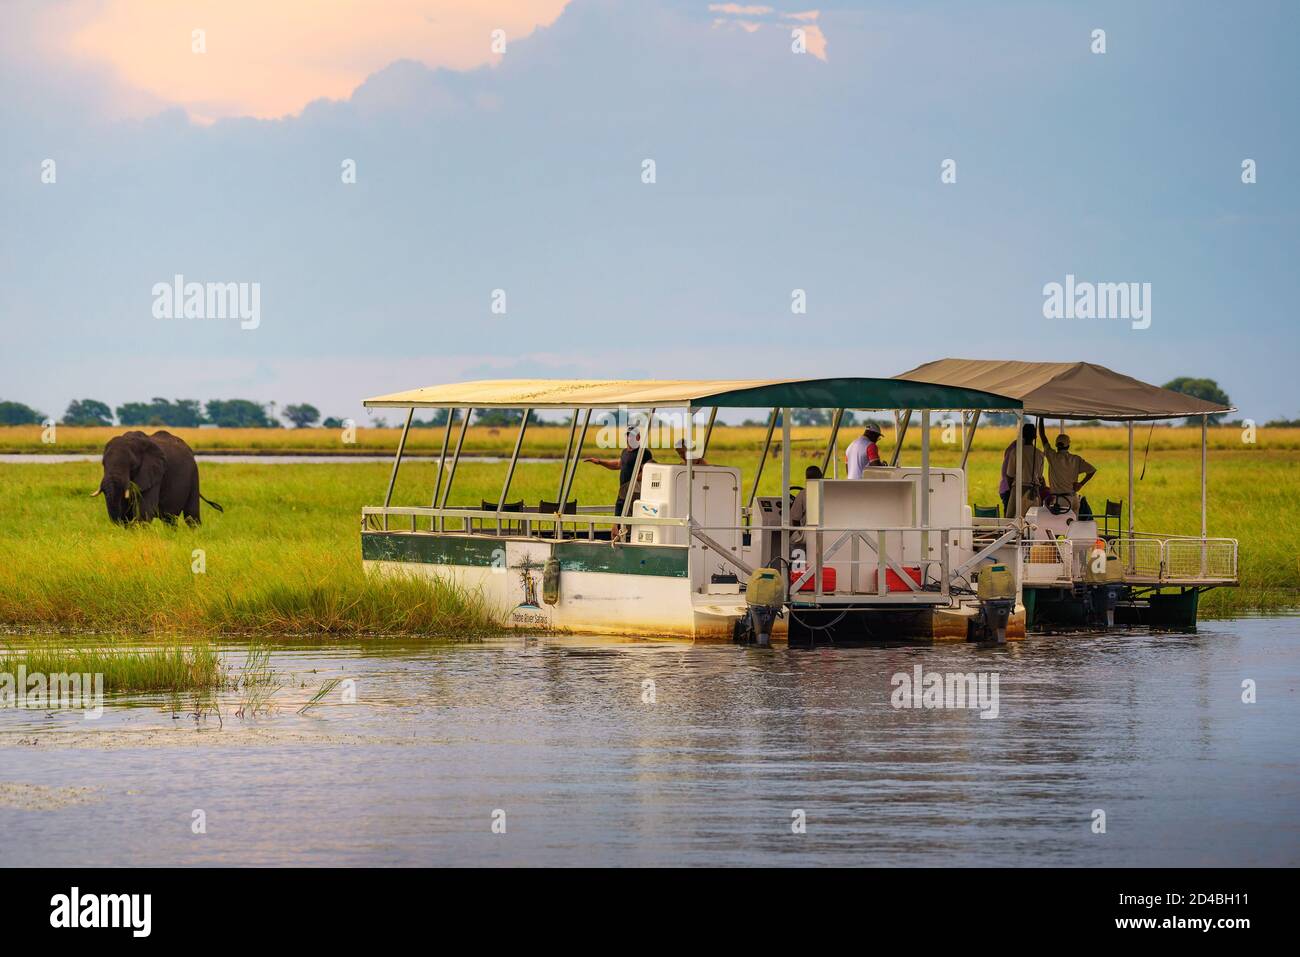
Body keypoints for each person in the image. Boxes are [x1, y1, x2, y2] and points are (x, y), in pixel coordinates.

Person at [584, 426, 655, 539]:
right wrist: (599, 462)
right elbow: (618, 464)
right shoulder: (624, 452)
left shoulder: (644, 452)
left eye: (632, 435)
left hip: (635, 491)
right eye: (628, 435)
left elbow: (648, 471)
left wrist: (635, 478)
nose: (629, 438)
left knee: (631, 517)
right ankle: (618, 536)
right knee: (619, 513)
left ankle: (631, 538)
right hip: (623, 490)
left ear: (638, 437)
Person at [1038, 419, 1096, 513]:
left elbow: (1043, 436)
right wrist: (1081, 484)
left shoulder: (1052, 456)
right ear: (1068, 446)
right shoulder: (1076, 459)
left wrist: (1041, 418)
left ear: (1056, 445)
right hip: (1074, 499)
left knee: (1059, 526)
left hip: (1060, 501)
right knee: (1073, 526)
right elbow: (1092, 470)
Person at [999, 422, 1045, 517]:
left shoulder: (1015, 452)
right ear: (1035, 437)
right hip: (1034, 491)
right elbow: (1040, 476)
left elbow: (1009, 475)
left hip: (1018, 489)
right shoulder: (1040, 454)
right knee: (1033, 521)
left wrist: (1011, 489)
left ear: (1022, 435)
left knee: (1011, 518)